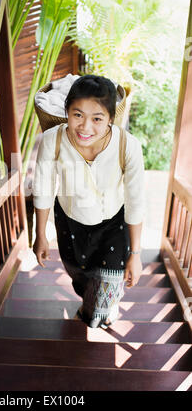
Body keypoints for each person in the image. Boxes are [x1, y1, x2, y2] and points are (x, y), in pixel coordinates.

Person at [32, 74, 145, 328]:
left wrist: (135, 254)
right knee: (79, 275)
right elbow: (43, 188)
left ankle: (95, 311)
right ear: (67, 112)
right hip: (70, 222)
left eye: (97, 119)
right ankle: (92, 302)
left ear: (111, 120)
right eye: (77, 115)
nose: (85, 127)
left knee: (107, 283)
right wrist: (40, 234)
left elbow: (136, 201)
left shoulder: (128, 145)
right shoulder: (54, 140)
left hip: (114, 224)